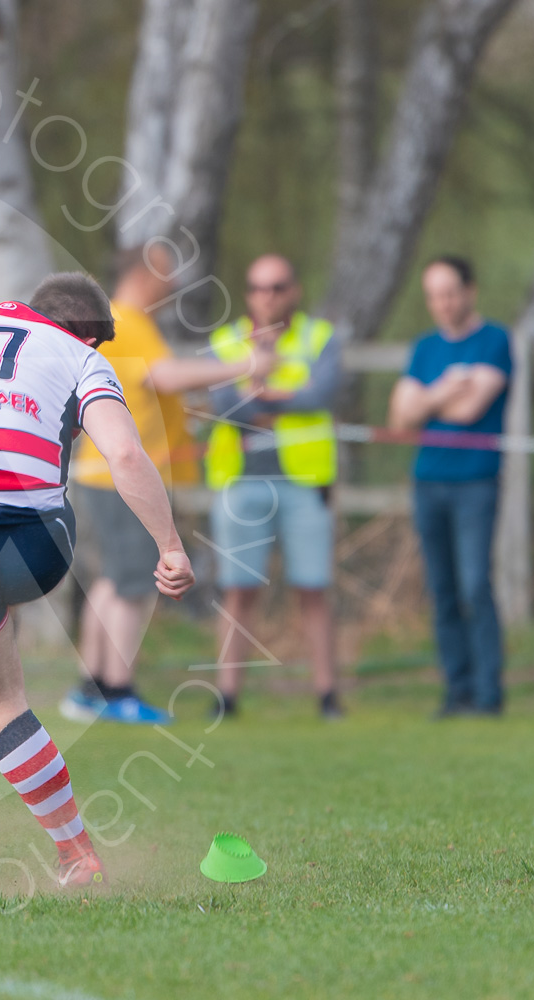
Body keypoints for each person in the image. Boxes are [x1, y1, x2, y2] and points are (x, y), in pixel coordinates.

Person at [0, 273, 196, 888]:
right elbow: (123, 453)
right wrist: (169, 545)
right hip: (34, 544)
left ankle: (75, 853)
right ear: (88, 332)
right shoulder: (79, 354)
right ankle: (75, 854)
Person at [60, 245, 274, 725]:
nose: (176, 281)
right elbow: (167, 376)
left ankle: (89, 690)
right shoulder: (127, 320)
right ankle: (119, 692)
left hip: (100, 473)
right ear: (148, 271)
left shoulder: (117, 320)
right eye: (169, 270)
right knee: (136, 584)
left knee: (112, 581)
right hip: (121, 477)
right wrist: (244, 365)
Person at [206, 254, 343, 720]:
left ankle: (327, 696)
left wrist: (259, 393)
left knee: (314, 587)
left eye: (278, 286)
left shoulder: (319, 337)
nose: (269, 295)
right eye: (260, 287)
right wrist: (270, 387)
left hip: (304, 483)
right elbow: (225, 405)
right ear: (248, 293)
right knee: (238, 590)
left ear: (295, 290)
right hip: (240, 483)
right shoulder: (225, 342)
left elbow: (320, 394)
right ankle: (227, 698)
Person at [388, 256, 511, 718]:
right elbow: (400, 418)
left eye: (450, 293)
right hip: (428, 481)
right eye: (434, 295)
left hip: (475, 481)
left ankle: (487, 693)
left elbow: (469, 409)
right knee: (441, 589)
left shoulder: (495, 340)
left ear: (469, 291)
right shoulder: (424, 348)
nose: (442, 303)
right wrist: (444, 389)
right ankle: (455, 689)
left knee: (475, 585)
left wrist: (426, 398)